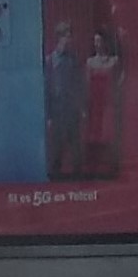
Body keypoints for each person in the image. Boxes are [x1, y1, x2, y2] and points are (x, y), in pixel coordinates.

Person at [83, 26, 125, 177]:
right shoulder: (90, 62)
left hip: (108, 104)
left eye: (99, 41)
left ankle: (112, 168)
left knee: (109, 135)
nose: (97, 44)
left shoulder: (114, 61)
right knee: (94, 136)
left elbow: (119, 81)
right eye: (95, 41)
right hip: (95, 106)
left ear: (105, 42)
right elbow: (87, 85)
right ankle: (94, 168)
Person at [45, 22, 84, 177]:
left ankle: (79, 181)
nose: (69, 39)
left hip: (71, 109)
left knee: (75, 147)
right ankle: (55, 178)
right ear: (60, 37)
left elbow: (79, 84)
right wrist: (48, 115)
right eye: (67, 36)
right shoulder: (50, 60)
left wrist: (81, 107)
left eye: (70, 36)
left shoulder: (73, 59)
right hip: (57, 110)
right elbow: (47, 88)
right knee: (57, 147)